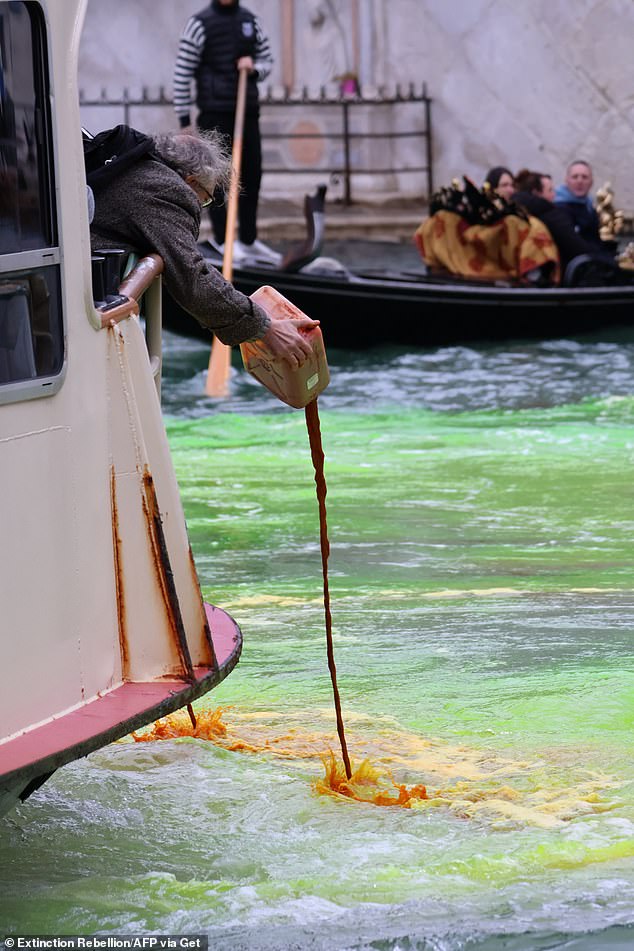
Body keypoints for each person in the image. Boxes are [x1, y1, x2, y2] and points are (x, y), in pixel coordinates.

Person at [90, 129, 316, 366]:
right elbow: (193, 276)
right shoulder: (166, 190)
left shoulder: (134, 169)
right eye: (206, 198)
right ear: (191, 181)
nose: (200, 205)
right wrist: (265, 328)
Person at [173, 0, 278, 263]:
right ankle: (224, 241)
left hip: (247, 111)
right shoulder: (200, 24)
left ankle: (248, 240)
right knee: (217, 179)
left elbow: (267, 61)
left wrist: (253, 67)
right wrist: (185, 119)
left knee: (251, 174)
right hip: (214, 112)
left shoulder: (250, 21)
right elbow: (182, 73)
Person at [513, 167, 613, 274]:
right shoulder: (552, 214)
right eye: (550, 190)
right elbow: (577, 247)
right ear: (537, 193)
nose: (554, 195)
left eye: (585, 177)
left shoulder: (520, 210)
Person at [554, 160, 602, 248]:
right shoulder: (558, 209)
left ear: (591, 182)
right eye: (575, 177)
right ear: (566, 180)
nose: (580, 181)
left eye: (584, 177)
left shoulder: (589, 206)